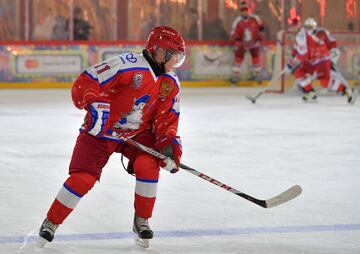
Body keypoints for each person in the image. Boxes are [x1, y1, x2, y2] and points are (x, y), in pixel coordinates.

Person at [37, 26, 186, 249]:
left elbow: (167, 118)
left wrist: (169, 144)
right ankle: (51, 222)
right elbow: (86, 81)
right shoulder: (127, 64)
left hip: (137, 134)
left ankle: (141, 220)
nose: (176, 61)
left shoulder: (170, 82)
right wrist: (93, 102)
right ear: (157, 51)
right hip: (101, 130)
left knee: (149, 164)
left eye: (179, 57)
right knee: (82, 179)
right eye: (173, 55)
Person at [286, 17, 356, 104]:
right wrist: (293, 60)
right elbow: (296, 51)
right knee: (299, 73)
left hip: (322, 60)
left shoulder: (319, 33)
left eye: (310, 27)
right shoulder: (300, 36)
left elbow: (329, 42)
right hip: (311, 62)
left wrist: (332, 49)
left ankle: (346, 90)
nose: (308, 29)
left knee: (326, 81)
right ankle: (310, 92)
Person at [229, 1, 264, 85]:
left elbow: (261, 28)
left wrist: (259, 37)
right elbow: (233, 33)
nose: (245, 12)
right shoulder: (237, 21)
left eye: (246, 10)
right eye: (243, 10)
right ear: (240, 12)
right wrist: (237, 41)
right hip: (243, 45)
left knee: (256, 59)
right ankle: (235, 77)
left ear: (248, 10)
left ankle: (258, 76)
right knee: (238, 59)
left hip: (253, 43)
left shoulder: (255, 18)